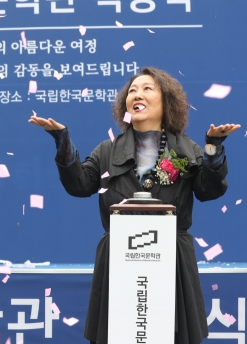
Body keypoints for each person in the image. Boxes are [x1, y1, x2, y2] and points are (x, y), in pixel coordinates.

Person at [29, 67, 240, 344]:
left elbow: (209, 190)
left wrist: (212, 149)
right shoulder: (108, 150)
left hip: (172, 258)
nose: (136, 94)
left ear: (167, 102)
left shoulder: (186, 149)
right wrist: (63, 142)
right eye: (132, 90)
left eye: (147, 89)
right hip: (120, 258)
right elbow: (80, 185)